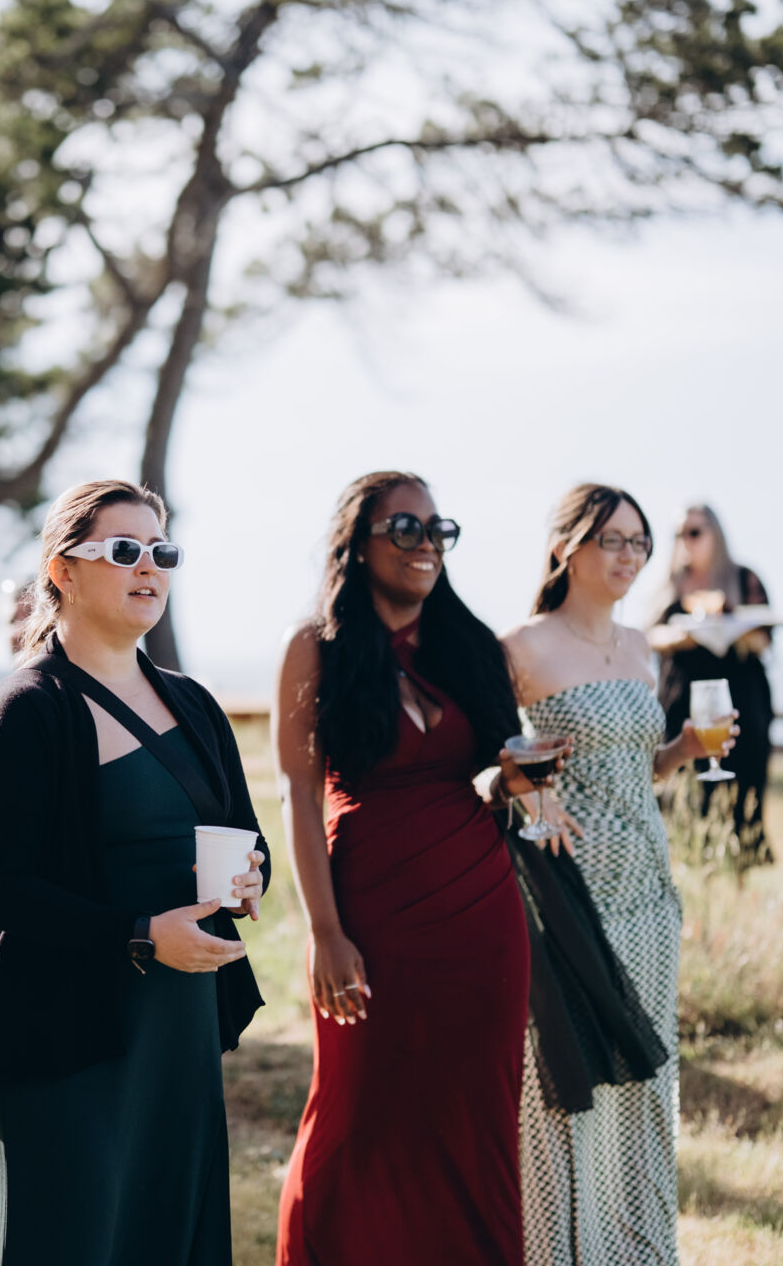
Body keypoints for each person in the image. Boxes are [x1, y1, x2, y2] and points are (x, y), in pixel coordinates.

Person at [0, 480, 269, 1266]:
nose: (149, 567)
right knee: (73, 1238)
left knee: (168, 1233)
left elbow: (248, 837)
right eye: (125, 550)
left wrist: (249, 880)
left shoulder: (195, 705)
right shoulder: (27, 711)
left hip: (179, 1025)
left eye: (162, 551)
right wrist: (140, 935)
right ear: (62, 571)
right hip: (69, 1030)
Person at [274, 472, 553, 1266]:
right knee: (357, 1114)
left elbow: (487, 780)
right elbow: (298, 794)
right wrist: (326, 932)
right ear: (357, 546)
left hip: (481, 914)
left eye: (438, 530)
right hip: (371, 913)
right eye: (406, 529)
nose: (426, 544)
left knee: (474, 1116)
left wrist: (515, 780)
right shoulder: (316, 649)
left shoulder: (471, 645)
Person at [501, 484, 730, 1266]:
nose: (631, 555)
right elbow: (487, 760)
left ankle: (641, 1253)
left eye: (640, 542)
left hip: (648, 894)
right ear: (567, 547)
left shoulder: (640, 647)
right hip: (569, 894)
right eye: (613, 540)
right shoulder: (520, 647)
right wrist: (530, 791)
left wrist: (682, 752)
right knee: (571, 1082)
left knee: (646, 1079)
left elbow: (637, 768)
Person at [648, 503, 775, 864]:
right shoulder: (669, 583)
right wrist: (685, 636)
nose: (685, 541)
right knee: (680, 787)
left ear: (715, 533)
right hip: (681, 700)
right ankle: (684, 862)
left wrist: (729, 628)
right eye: (679, 534)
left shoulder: (744, 578)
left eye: (694, 532)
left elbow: (765, 640)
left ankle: (738, 867)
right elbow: (649, 635)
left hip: (739, 699)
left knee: (742, 786)